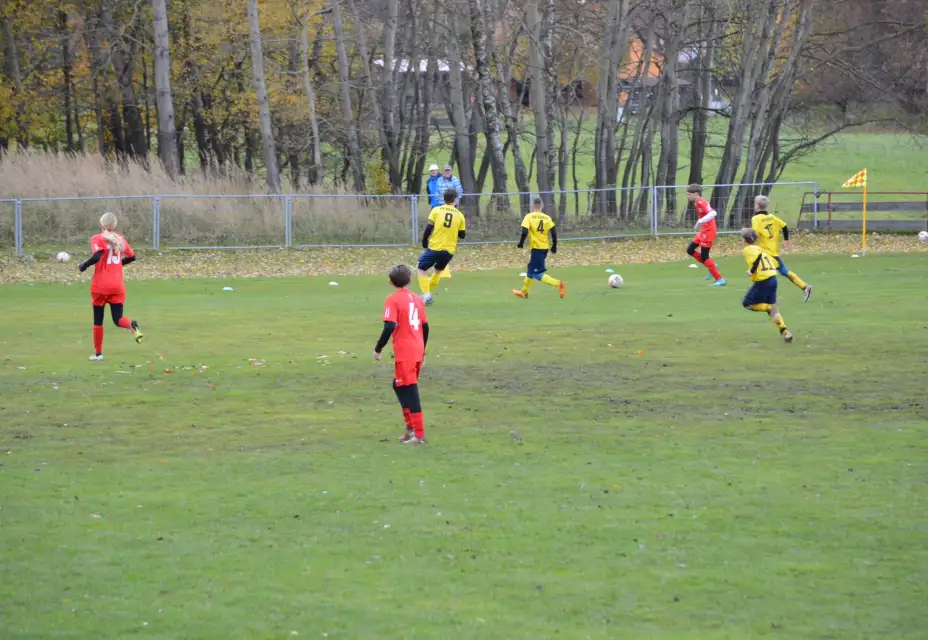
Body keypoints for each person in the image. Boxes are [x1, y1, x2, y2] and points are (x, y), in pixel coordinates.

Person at [374, 264, 430, 444]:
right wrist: (423, 350)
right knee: (398, 386)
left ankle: (418, 435)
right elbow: (425, 326)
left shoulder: (392, 299)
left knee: (409, 390)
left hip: (406, 351)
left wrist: (378, 348)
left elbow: (389, 325)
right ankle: (410, 429)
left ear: (391, 282)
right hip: (417, 349)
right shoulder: (417, 299)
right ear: (410, 280)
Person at [78, 212, 144, 361]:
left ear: (102, 225)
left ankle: (98, 354)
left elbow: (97, 256)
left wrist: (83, 265)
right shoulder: (121, 239)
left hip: (101, 286)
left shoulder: (97, 238)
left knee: (98, 321)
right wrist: (118, 265)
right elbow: (132, 257)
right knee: (118, 319)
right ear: (114, 225)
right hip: (117, 285)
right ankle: (132, 325)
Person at [750, 195, 812, 302]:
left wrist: (748, 237)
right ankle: (805, 287)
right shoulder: (772, 217)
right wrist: (786, 240)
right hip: (773, 251)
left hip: (766, 253)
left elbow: (754, 234)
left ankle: (762, 297)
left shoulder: (756, 219)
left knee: (762, 273)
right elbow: (784, 226)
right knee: (783, 271)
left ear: (757, 205)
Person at [741, 227, 793, 343]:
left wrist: (751, 271)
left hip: (763, 280)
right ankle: (785, 332)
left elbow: (757, 259)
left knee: (747, 304)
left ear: (744, 240)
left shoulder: (748, 250)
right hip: (773, 278)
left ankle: (767, 307)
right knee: (773, 309)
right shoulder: (760, 249)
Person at [417, 189, 466, 305]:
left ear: (444, 199)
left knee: (421, 268)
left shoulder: (436, 210)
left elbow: (429, 228)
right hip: (449, 250)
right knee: (438, 271)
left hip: (435, 247)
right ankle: (426, 295)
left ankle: (427, 295)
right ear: (455, 200)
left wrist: (424, 241)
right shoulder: (460, 215)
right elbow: (462, 235)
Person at [512, 197, 565, 299]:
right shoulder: (547, 218)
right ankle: (524, 292)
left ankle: (559, 284)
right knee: (532, 271)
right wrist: (554, 245)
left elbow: (524, 232)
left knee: (535, 273)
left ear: (532, 206)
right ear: (542, 206)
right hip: (544, 247)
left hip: (537, 248)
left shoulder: (529, 217)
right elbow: (553, 232)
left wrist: (521, 243)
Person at [685, 184, 726, 286]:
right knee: (690, 250)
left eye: (689, 194)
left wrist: (700, 221)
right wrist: (701, 223)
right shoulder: (697, 202)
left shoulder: (701, 202)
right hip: (704, 231)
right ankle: (713, 266)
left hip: (708, 231)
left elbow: (713, 213)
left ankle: (720, 279)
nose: (688, 196)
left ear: (696, 194)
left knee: (704, 256)